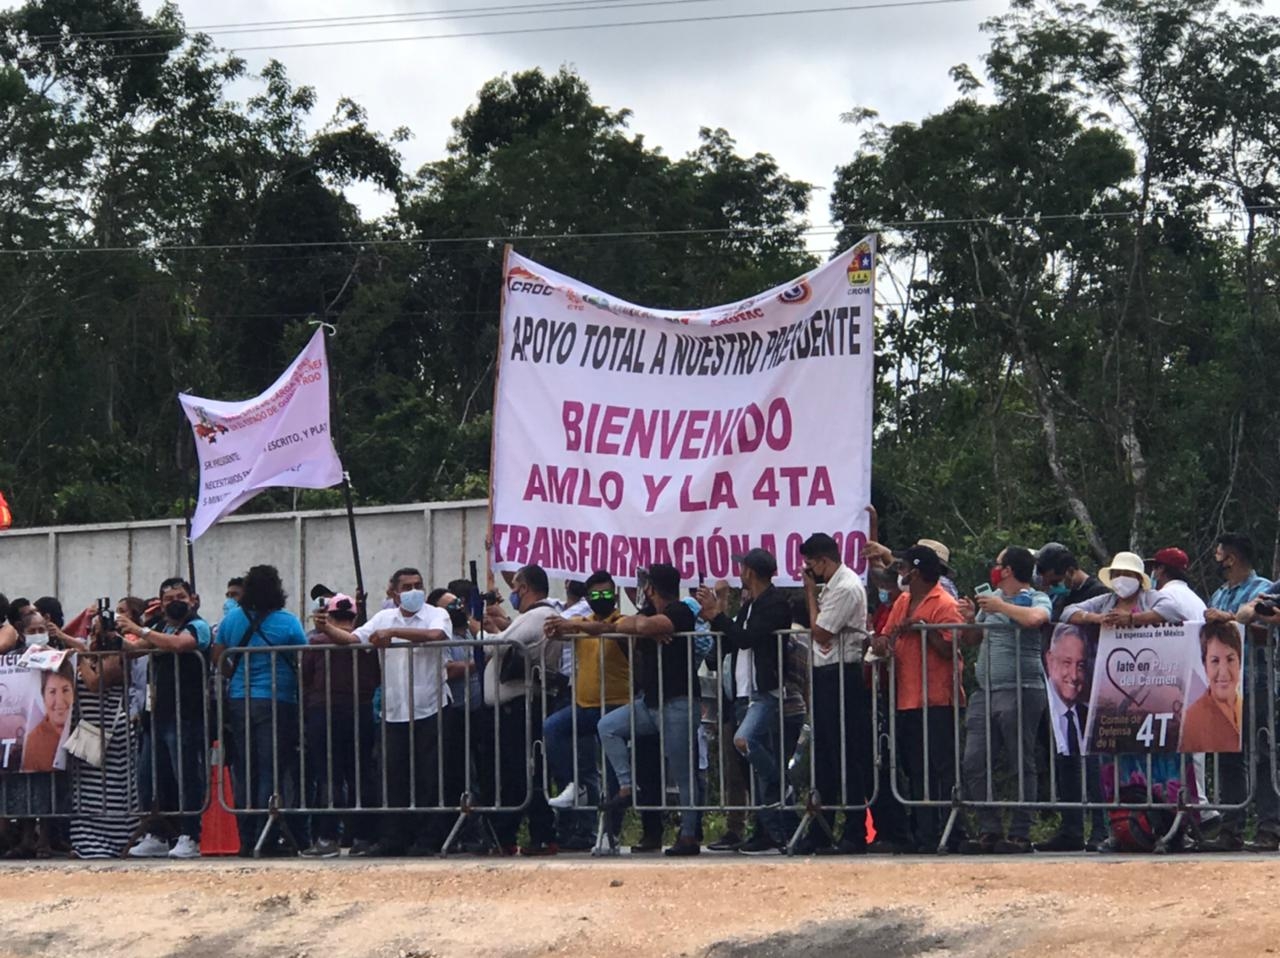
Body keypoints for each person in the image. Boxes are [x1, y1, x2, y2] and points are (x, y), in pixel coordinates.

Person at [319, 567, 455, 856]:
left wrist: (394, 633)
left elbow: (436, 635)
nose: (413, 591)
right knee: (394, 777)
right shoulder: (383, 617)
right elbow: (354, 640)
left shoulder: (434, 613)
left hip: (430, 706)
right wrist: (327, 629)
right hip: (395, 710)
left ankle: (428, 839)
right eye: (406, 586)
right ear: (394, 592)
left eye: (417, 585)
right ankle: (395, 838)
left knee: (430, 777)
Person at [593, 563, 703, 856]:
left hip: (678, 702)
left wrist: (642, 626)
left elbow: (639, 626)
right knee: (608, 726)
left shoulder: (679, 611)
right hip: (650, 703)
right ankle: (627, 787)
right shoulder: (651, 613)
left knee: (683, 773)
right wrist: (638, 625)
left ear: (651, 588)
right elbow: (627, 625)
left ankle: (690, 834)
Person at [799, 533, 899, 854]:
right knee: (827, 756)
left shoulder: (844, 587)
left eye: (811, 563)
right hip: (826, 673)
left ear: (823, 560)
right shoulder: (834, 586)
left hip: (843, 674)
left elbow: (821, 631)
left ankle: (856, 828)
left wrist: (810, 595)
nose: (808, 570)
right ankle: (823, 830)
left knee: (847, 754)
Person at [696, 549, 795, 854]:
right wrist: (718, 615)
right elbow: (729, 641)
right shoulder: (750, 604)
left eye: (742, 567)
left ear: (750, 571)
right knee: (749, 767)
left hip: (763, 692)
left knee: (745, 741)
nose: (738, 571)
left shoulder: (775, 603)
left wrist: (719, 614)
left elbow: (746, 637)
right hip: (741, 692)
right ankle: (770, 830)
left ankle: (781, 786)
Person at [957, 546, 1051, 854]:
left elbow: (1037, 619)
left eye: (999, 565)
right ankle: (990, 828)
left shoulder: (1035, 597)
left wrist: (1002, 607)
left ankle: (1021, 832)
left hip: (1021, 688)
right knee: (973, 760)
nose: (994, 570)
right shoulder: (992, 601)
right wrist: (972, 619)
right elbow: (973, 640)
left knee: (1020, 760)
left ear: (1008, 569)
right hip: (986, 690)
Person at [872, 544, 963, 854]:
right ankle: (923, 832)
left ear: (918, 571)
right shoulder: (904, 602)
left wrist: (926, 630)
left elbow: (951, 649)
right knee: (915, 768)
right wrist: (883, 642)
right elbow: (886, 636)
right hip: (906, 696)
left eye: (905, 568)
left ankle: (951, 831)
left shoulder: (945, 603)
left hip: (937, 697)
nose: (901, 574)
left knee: (940, 767)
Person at [118, 577, 211, 860]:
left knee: (186, 777)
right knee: (148, 777)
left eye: (180, 596)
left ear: (192, 599)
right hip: (156, 714)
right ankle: (156, 834)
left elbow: (181, 645)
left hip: (187, 714)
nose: (175, 602)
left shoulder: (198, 625)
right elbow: (138, 650)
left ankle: (190, 835)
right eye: (169, 598)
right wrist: (117, 637)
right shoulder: (159, 627)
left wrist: (140, 629)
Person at [219, 564, 309, 856]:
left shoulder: (232, 619)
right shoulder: (288, 622)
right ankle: (266, 837)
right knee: (271, 768)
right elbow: (304, 659)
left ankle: (246, 837)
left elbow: (218, 656)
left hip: (239, 699)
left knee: (246, 769)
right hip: (277, 699)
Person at [543, 571, 631, 850]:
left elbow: (605, 630)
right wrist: (556, 628)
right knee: (552, 728)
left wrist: (570, 626)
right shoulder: (581, 622)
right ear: (588, 598)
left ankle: (610, 834)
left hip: (618, 707)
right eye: (595, 595)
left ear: (614, 595)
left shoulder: (622, 622)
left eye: (606, 595)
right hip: (586, 705)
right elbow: (565, 629)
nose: (601, 600)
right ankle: (575, 785)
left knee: (614, 775)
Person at [480, 564, 563, 855]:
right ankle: (509, 836)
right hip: (516, 706)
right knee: (516, 774)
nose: (512, 593)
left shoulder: (539, 614)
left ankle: (541, 834)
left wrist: (477, 628)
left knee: (524, 773)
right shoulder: (532, 616)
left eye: (515, 587)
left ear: (525, 588)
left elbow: (499, 647)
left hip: (523, 706)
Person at [1199, 533, 1275, 851]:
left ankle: (1270, 827)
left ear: (1231, 557)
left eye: (1219, 554)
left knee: (1263, 755)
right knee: (1229, 756)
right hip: (1223, 687)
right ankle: (1230, 828)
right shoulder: (1219, 592)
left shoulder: (1264, 589)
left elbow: (1264, 628)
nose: (1217, 559)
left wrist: (1229, 620)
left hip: (1255, 682)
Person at [300, 593, 381, 858]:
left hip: (323, 711)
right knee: (361, 773)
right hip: (360, 709)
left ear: (330, 617)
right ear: (354, 616)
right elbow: (377, 677)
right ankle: (364, 837)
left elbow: (306, 679)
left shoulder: (316, 643)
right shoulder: (367, 644)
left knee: (328, 775)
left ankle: (327, 838)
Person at [69, 601, 140, 858]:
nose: (93, 635)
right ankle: (84, 839)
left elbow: (96, 683)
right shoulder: (88, 654)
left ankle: (116, 840)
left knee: (113, 790)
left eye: (98, 630)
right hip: (87, 728)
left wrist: (80, 660)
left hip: (112, 731)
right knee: (86, 791)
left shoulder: (115, 655)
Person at [1034, 622, 1104, 852]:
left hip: (1090, 721)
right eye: (1066, 663)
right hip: (1055, 715)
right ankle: (1071, 830)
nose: (1074, 675)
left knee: (1093, 765)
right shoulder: (1050, 708)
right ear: (1049, 660)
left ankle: (1100, 830)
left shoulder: (1089, 712)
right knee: (1064, 762)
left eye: (1081, 665)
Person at [1180, 622, 1244, 753]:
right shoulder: (1192, 720)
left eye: (1230, 659)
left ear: (1240, 662)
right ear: (1205, 666)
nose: (1223, 672)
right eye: (1215, 661)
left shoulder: (1246, 707)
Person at [1035, 545, 1111, 623]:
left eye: (1054, 583)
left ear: (1070, 571)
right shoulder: (1059, 597)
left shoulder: (1099, 593)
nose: (1051, 588)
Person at [1147, 548, 1207, 622]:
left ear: (1161, 569)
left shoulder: (1164, 596)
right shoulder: (1196, 599)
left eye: (1154, 568)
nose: (1153, 573)